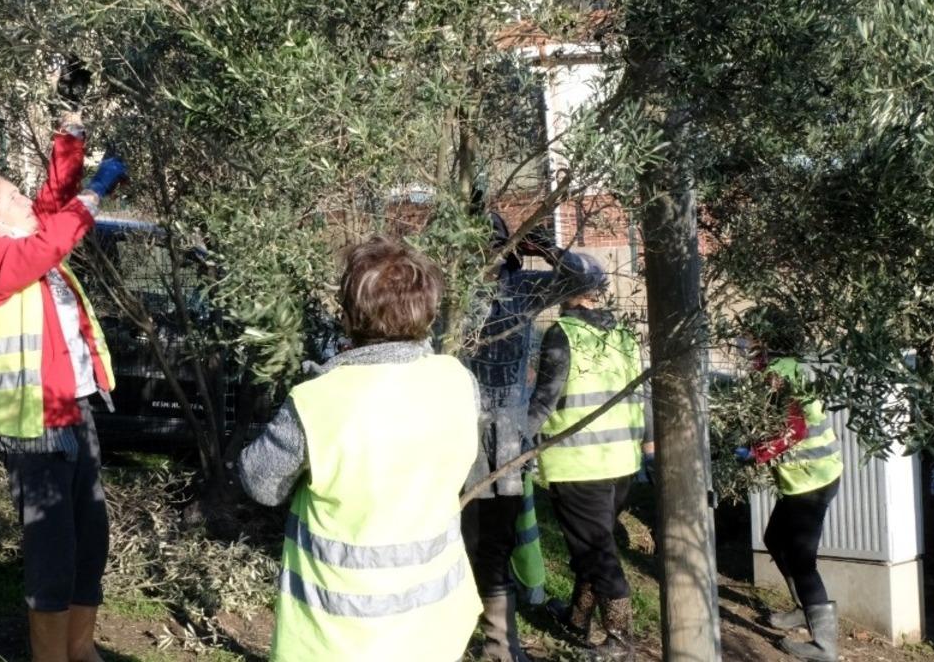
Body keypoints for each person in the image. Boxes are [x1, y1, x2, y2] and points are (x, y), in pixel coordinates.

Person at [239, 237, 482, 662]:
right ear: (428, 308)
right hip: (437, 625)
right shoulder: (458, 380)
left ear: (351, 314)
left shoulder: (317, 402)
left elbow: (262, 483)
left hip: (338, 638)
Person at [0, 113, 127, 662]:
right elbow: (58, 230)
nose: (28, 201)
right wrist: (97, 191)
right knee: (54, 553)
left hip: (76, 411)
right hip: (34, 427)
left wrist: (70, 131)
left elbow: (52, 199)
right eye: (14, 198)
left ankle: (80, 649)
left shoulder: (23, 244)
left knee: (91, 543)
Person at [462, 214, 605, 662]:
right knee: (456, 537)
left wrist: (545, 246)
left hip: (505, 438)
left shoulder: (522, 288)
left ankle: (501, 646)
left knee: (496, 541)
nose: (483, 251)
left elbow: (590, 278)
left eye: (493, 243)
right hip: (452, 432)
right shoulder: (450, 290)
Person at [526, 279, 645, 662]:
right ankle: (578, 620)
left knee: (597, 550)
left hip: (579, 463)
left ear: (567, 295)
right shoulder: (623, 333)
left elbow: (545, 400)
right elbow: (641, 392)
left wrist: (518, 437)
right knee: (593, 545)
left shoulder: (564, 335)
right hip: (622, 460)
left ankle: (620, 640)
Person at [738, 307, 843, 662]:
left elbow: (793, 430)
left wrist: (754, 453)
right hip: (808, 478)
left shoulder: (781, 373)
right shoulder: (778, 367)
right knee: (773, 539)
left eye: (749, 334)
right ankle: (803, 608)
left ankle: (825, 646)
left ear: (765, 338)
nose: (744, 340)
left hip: (811, 481)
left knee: (802, 559)